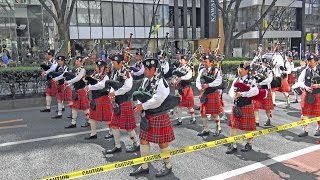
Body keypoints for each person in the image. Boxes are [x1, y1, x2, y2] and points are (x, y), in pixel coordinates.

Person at [130, 58, 175, 177]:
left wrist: (142, 105)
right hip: (147, 115)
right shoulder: (145, 80)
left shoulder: (161, 82)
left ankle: (168, 165)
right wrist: (139, 105)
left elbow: (158, 100)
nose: (144, 70)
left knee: (162, 142)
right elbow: (140, 92)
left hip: (159, 115)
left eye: (146, 69)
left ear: (153, 69)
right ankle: (144, 166)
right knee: (143, 140)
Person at [105, 54, 139, 154]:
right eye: (112, 63)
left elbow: (128, 87)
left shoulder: (126, 72)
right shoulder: (116, 72)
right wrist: (111, 93)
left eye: (114, 63)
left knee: (129, 127)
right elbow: (113, 84)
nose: (113, 64)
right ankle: (117, 146)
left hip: (125, 102)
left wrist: (115, 93)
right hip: (117, 102)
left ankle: (136, 144)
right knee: (114, 125)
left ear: (120, 63)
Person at [227, 61, 259, 154]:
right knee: (233, 126)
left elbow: (255, 91)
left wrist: (242, 94)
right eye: (239, 68)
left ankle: (249, 143)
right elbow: (231, 91)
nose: (239, 70)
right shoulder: (236, 79)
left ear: (247, 70)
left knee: (248, 127)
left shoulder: (251, 79)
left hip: (246, 105)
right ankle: (233, 144)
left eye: (241, 69)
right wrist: (234, 95)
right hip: (236, 105)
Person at [85, 61, 114, 139]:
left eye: (98, 67)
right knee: (92, 117)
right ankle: (93, 134)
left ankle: (112, 132)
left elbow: (102, 85)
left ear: (102, 68)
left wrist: (90, 87)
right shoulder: (96, 75)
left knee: (108, 118)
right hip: (95, 98)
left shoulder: (106, 76)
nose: (96, 68)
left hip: (103, 98)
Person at [196, 54, 223, 137]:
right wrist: (200, 87)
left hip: (213, 93)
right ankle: (206, 129)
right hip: (204, 93)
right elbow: (197, 80)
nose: (204, 63)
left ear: (211, 62)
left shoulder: (216, 70)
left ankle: (218, 127)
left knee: (214, 113)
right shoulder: (202, 70)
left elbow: (219, 81)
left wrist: (208, 85)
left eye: (206, 61)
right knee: (203, 112)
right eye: (204, 61)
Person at [297, 55, 320, 137]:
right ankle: (305, 130)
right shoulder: (305, 70)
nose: (309, 63)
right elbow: (299, 81)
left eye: (311, 61)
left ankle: (319, 128)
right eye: (308, 61)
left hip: (318, 94)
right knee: (304, 112)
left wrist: (318, 85)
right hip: (307, 94)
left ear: (316, 62)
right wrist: (305, 87)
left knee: (319, 113)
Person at [64, 57, 90, 129]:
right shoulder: (77, 70)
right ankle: (73, 123)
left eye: (77, 61)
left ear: (81, 62)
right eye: (76, 61)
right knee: (74, 107)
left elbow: (78, 78)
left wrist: (68, 82)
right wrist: (69, 85)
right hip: (76, 90)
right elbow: (75, 80)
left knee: (85, 108)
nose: (76, 62)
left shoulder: (83, 70)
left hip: (81, 90)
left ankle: (89, 121)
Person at [173, 55, 196, 125]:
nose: (180, 61)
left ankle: (193, 118)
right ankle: (179, 120)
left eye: (182, 60)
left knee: (189, 105)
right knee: (179, 104)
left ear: (185, 61)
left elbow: (189, 77)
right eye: (180, 60)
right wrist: (175, 80)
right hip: (180, 88)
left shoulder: (188, 69)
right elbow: (176, 76)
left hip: (187, 88)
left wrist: (181, 78)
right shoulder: (179, 68)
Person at [253, 58, 274, 127]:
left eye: (265, 63)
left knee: (267, 107)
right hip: (258, 90)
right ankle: (257, 121)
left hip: (266, 90)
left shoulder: (269, 71)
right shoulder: (258, 69)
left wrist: (260, 82)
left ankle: (269, 119)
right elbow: (254, 77)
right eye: (263, 63)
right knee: (256, 106)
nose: (264, 64)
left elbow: (269, 80)